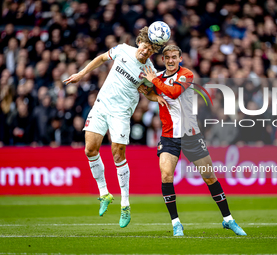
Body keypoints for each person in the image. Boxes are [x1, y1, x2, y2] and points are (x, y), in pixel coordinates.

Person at [63, 27, 167, 228]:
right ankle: (104, 193)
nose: (145, 52)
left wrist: (158, 98)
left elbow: (147, 91)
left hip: (121, 113)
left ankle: (125, 205)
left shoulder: (150, 71)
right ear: (140, 42)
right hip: (101, 105)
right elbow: (102, 58)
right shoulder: (123, 50)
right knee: (90, 149)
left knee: (118, 155)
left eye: (150, 51)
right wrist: (81, 73)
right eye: (145, 47)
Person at [139, 45, 247, 236]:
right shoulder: (157, 77)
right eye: (167, 58)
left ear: (180, 59)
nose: (171, 60)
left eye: (174, 57)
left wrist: (154, 81)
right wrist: (154, 96)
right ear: (163, 60)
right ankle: (176, 224)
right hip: (169, 136)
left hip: (191, 135)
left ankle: (228, 219)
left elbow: (173, 92)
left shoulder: (186, 74)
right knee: (166, 176)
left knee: (210, 177)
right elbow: (145, 90)